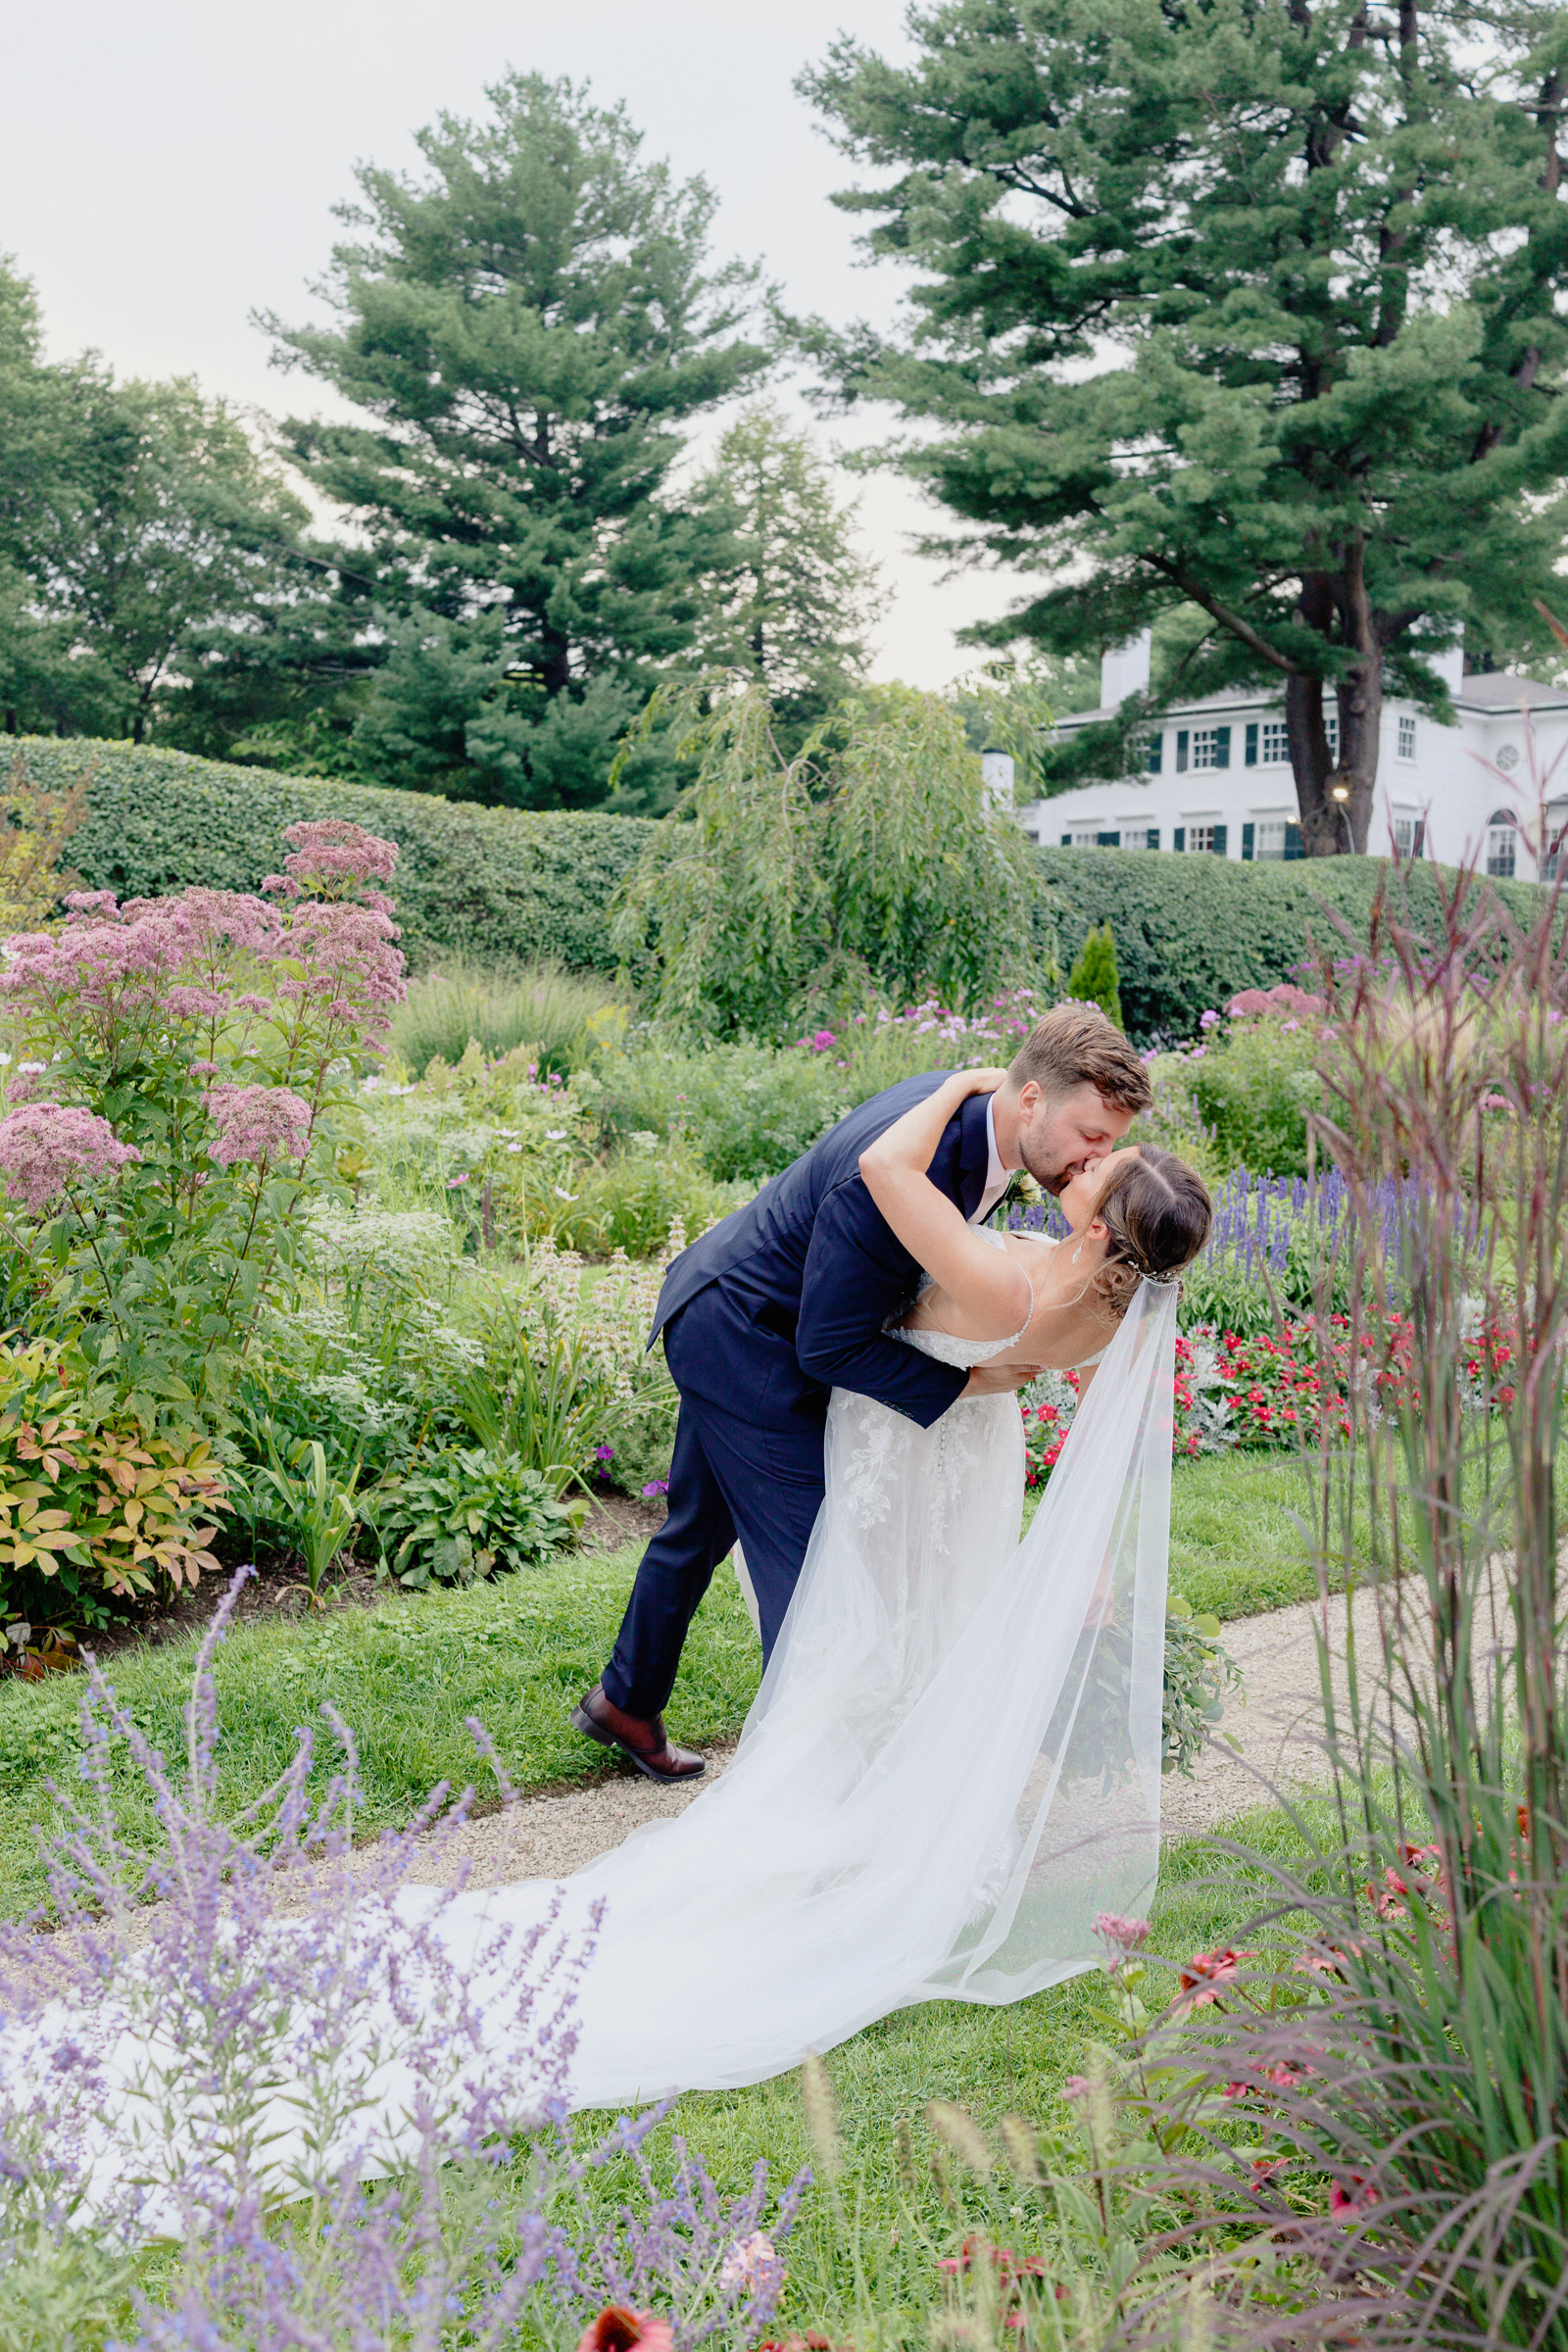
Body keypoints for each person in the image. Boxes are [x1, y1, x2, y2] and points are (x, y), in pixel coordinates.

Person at [406, 1064, 1212, 2114]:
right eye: (1095, 1141)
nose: (1091, 1161)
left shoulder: (1012, 1275)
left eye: (1107, 1166)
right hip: (806, 1372)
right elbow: (1093, 1388)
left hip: (887, 1424)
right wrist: (1080, 1526)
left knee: (836, 1616)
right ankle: (631, 1701)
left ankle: (828, 1812)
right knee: (735, 1545)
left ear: (1106, 1232)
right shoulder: (1107, 1304)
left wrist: (956, 1080)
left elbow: (876, 1199)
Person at [572, 1004, 1156, 1782]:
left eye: (1110, 1145)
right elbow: (829, 1346)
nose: (1098, 1159)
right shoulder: (907, 1160)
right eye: (1092, 1136)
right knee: (821, 1569)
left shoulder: (968, 1119)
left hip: (743, 1312)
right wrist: (966, 1381)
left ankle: (625, 1702)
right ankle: (812, 1794)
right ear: (1030, 1102)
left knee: (698, 1529)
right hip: (746, 1333)